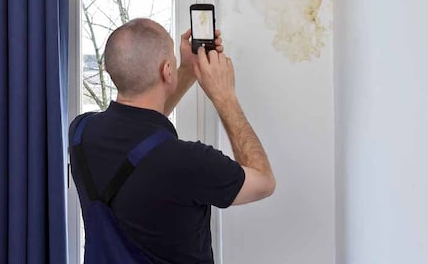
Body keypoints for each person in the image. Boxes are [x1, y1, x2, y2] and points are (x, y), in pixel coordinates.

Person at [69, 18, 275, 264]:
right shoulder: (188, 162)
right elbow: (263, 182)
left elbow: (139, 126)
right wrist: (224, 95)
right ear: (167, 71)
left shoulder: (81, 132)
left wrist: (187, 69)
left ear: (109, 70)